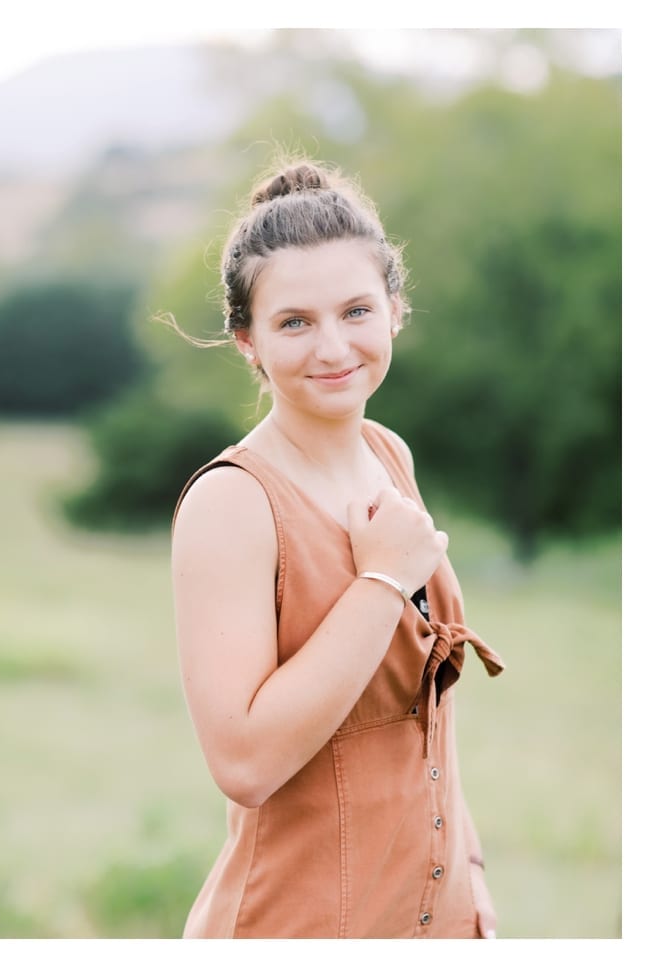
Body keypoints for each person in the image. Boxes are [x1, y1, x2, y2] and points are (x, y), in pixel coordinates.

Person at [169, 160, 505, 938]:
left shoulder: (389, 454)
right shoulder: (232, 502)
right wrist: (382, 577)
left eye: (356, 310)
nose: (333, 347)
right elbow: (245, 764)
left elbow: (426, 708)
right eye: (294, 322)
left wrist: (472, 871)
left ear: (395, 308)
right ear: (247, 340)